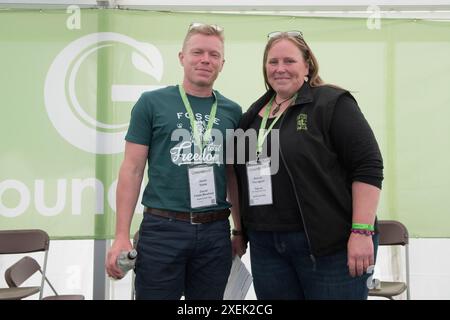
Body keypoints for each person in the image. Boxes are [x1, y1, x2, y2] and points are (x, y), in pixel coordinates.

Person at [233, 31, 383, 300]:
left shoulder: (332, 103)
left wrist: (362, 231)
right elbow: (237, 175)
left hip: (328, 246)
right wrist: (240, 230)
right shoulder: (250, 118)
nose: (280, 69)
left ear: (307, 65)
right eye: (273, 62)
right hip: (267, 247)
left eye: (289, 61)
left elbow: (368, 165)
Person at [105, 23, 246, 300]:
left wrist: (239, 230)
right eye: (197, 52)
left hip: (215, 231)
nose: (205, 60)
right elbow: (132, 170)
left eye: (214, 55)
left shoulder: (233, 111)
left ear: (222, 63)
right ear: (182, 57)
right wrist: (121, 234)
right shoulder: (151, 103)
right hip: (163, 230)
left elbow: (233, 175)